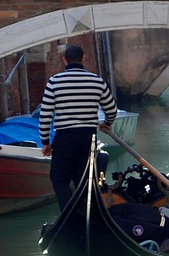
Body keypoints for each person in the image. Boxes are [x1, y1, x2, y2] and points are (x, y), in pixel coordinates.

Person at [38, 43, 119, 210]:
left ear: (64, 60)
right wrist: (107, 123)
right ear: (83, 59)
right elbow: (111, 109)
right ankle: (83, 214)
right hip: (88, 137)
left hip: (65, 137)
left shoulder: (54, 82)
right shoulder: (97, 81)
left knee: (59, 179)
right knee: (83, 179)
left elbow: (45, 115)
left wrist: (45, 141)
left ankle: (70, 215)